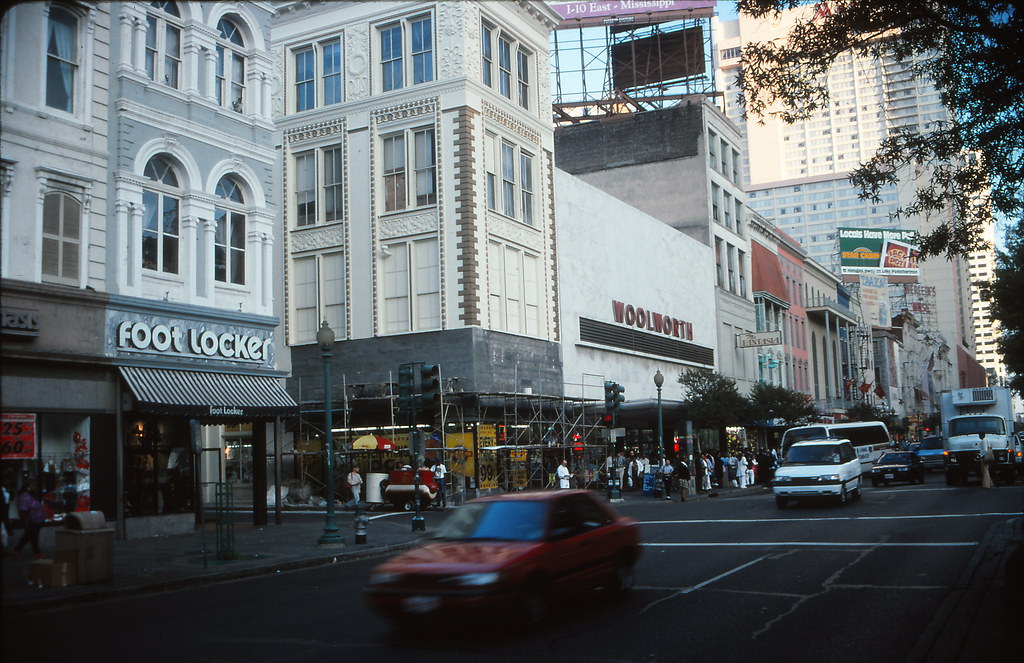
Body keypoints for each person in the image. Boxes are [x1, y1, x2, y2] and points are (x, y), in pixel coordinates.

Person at [13, 478, 45, 558]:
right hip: (31, 520)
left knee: (29, 536)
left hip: (37, 519)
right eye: (34, 485)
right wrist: (27, 521)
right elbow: (23, 510)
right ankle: (36, 552)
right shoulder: (25, 496)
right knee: (32, 536)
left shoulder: (32, 494)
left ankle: (17, 549)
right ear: (28, 486)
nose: (36, 487)